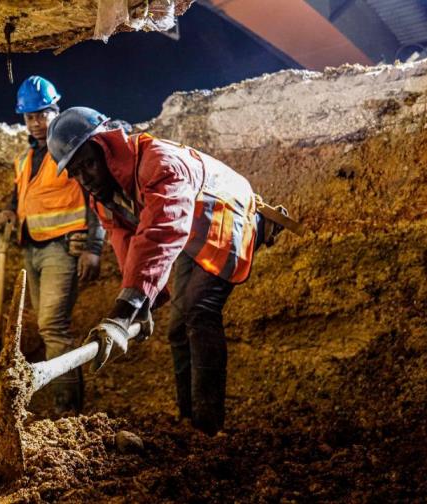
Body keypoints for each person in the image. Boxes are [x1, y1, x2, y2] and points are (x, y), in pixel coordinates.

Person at [46, 107, 287, 434]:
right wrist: (146, 303)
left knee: (198, 312)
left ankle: (207, 429)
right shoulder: (102, 195)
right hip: (191, 232)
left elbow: (160, 234)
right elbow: (126, 240)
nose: (85, 178)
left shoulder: (159, 164)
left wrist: (122, 313)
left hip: (226, 217)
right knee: (177, 327)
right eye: (75, 171)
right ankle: (188, 420)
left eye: (88, 163)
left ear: (107, 148)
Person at [0, 78, 106, 413]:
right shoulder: (25, 159)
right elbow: (20, 198)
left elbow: (95, 198)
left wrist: (94, 248)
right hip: (32, 250)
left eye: (43, 114)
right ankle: (62, 404)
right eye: (29, 117)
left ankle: (67, 409)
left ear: (56, 111)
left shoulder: (71, 150)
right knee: (47, 327)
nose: (36, 122)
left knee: (53, 326)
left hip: (62, 249)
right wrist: (8, 212)